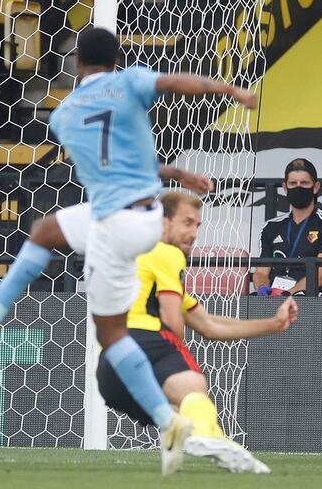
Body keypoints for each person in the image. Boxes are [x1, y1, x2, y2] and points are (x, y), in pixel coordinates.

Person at [0, 27, 258, 475]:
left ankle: (168, 422)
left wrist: (174, 172)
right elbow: (174, 83)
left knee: (112, 336)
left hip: (115, 223)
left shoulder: (62, 115)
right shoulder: (128, 83)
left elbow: (105, 158)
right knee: (45, 230)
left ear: (77, 63)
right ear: (117, 59)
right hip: (138, 217)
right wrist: (229, 88)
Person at [97, 191, 295, 474]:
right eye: (186, 223)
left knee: (183, 407)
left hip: (109, 370)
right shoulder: (166, 252)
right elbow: (172, 321)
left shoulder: (141, 256)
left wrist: (272, 324)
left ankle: (186, 443)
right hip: (144, 339)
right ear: (162, 222)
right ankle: (208, 438)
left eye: (197, 226)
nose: (193, 233)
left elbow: (208, 324)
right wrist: (178, 357)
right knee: (194, 386)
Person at [252, 158, 322, 297]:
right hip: (273, 296)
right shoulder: (270, 226)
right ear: (285, 187)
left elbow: (321, 276)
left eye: (304, 183)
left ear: (315, 187)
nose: (298, 187)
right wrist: (262, 287)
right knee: (248, 304)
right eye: (293, 183)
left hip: (311, 298)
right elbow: (261, 272)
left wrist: (287, 294)